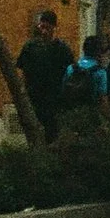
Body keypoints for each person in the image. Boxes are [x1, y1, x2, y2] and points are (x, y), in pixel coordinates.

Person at [16, 11, 72, 139]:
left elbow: (69, 72)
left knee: (53, 133)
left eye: (48, 27)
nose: (44, 31)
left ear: (54, 27)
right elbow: (22, 70)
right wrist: (23, 93)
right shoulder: (30, 47)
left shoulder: (62, 49)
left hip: (55, 98)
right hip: (34, 97)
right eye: (42, 27)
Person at [58, 35, 110, 127]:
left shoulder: (71, 68)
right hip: (91, 116)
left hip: (72, 114)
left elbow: (63, 90)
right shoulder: (100, 72)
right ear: (99, 52)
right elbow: (103, 99)